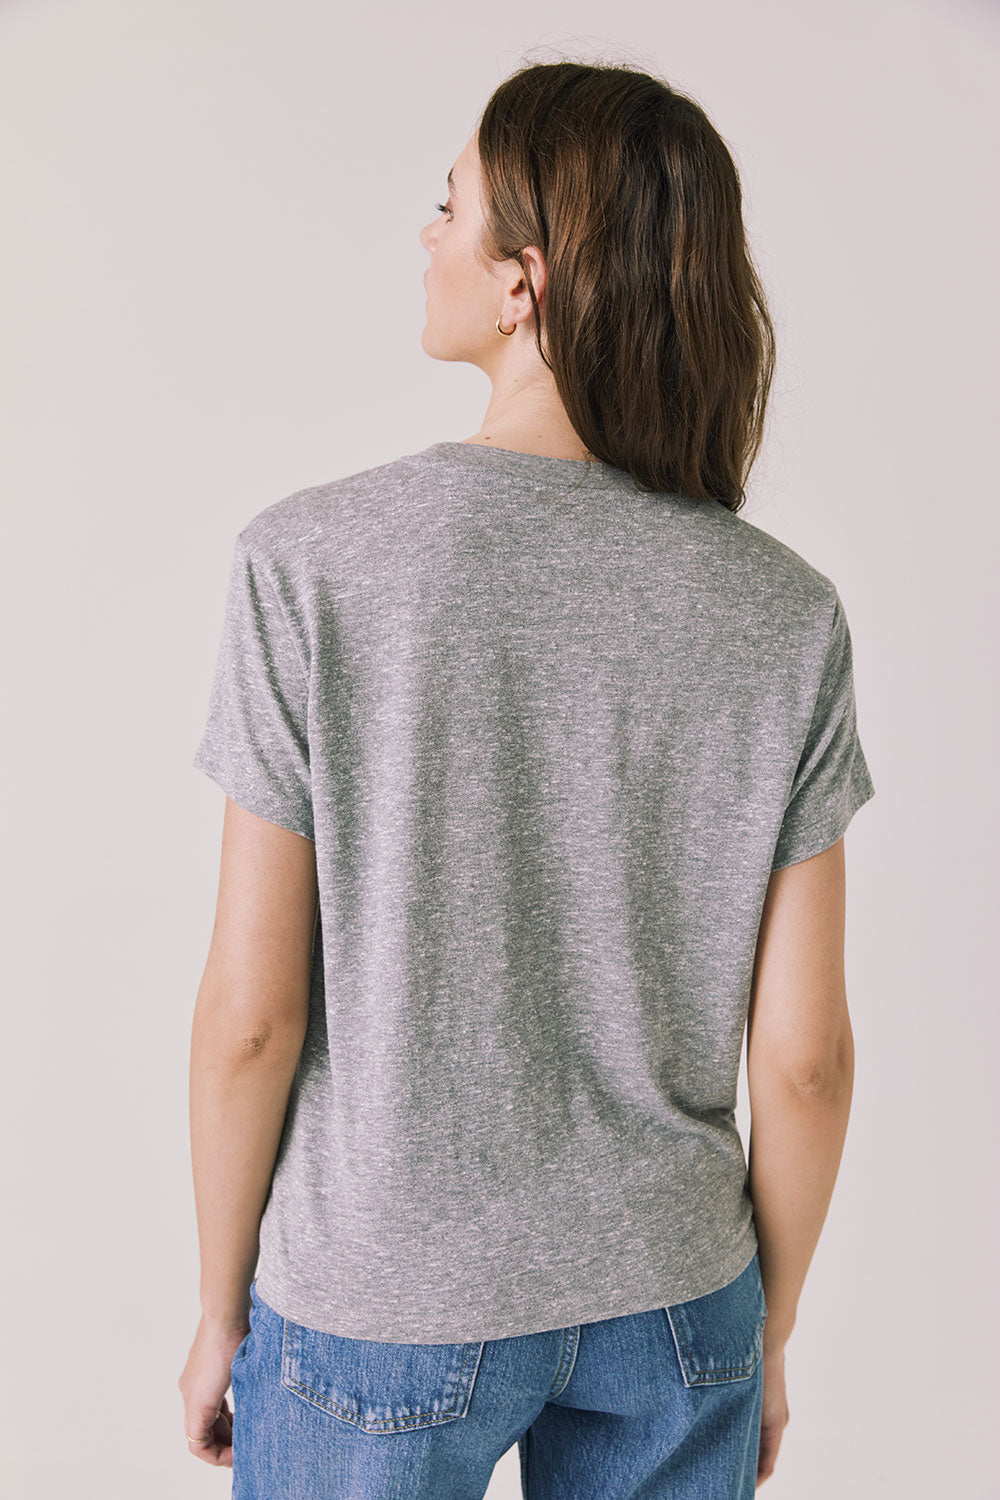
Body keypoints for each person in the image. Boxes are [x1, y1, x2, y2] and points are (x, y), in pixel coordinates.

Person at [177, 58, 876, 1500]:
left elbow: (253, 1017)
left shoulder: (311, 566)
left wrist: (217, 1302)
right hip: (674, 1296)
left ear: (525, 285)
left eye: (450, 209)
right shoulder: (782, 613)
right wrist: (772, 1330)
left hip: (380, 1297)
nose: (425, 236)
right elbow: (805, 1059)